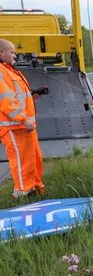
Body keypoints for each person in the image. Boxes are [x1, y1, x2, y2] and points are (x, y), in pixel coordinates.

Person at [0, 38, 45, 199]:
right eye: (12, 52)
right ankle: (22, 193)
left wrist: (32, 97)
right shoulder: (1, 71)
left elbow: (16, 96)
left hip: (24, 125)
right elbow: (6, 101)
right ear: (1, 52)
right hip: (14, 126)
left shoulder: (10, 70)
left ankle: (34, 187)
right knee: (20, 161)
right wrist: (22, 119)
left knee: (34, 158)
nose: (15, 55)